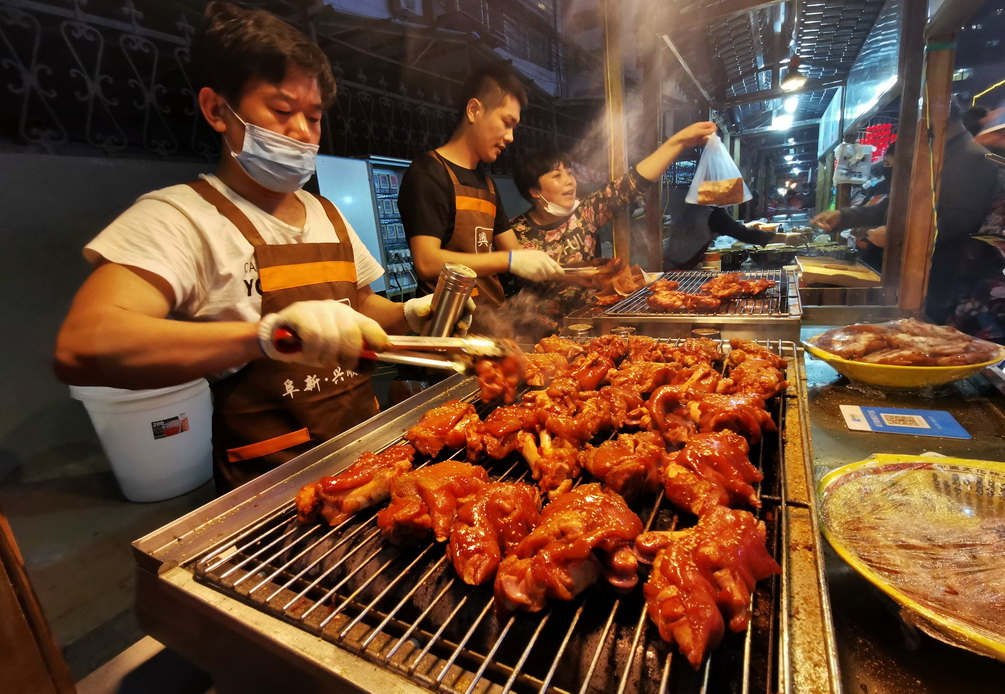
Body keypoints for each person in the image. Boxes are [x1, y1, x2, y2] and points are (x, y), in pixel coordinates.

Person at [53, 2, 454, 493]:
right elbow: (84, 345)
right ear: (217, 110)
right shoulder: (181, 217)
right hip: (273, 488)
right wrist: (268, 337)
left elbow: (361, 306)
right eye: (283, 111)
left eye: (314, 116)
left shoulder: (326, 213)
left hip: (369, 457)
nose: (303, 133)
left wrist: (411, 313)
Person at [398, 64, 564, 329]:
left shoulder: (486, 183)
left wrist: (581, 275)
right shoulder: (428, 173)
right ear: (474, 110)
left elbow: (514, 251)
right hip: (448, 331)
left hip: (493, 326)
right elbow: (428, 262)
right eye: (506, 123)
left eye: (514, 128)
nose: (510, 137)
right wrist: (510, 261)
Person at [506, 121, 715, 325]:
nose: (569, 181)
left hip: (585, 324)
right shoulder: (512, 232)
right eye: (557, 176)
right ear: (534, 191)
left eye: (570, 173)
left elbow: (630, 185)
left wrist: (677, 142)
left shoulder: (584, 214)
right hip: (531, 331)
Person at [811, 103, 999, 324]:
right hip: (911, 278)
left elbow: (960, 221)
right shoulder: (930, 156)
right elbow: (889, 207)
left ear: (937, 122)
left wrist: (896, 233)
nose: (911, 133)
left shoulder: (972, 157)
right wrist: (843, 216)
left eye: (917, 124)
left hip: (944, 283)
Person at [663, 206, 810, 271]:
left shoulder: (697, 208)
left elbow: (733, 227)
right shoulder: (712, 213)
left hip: (672, 259)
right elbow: (743, 233)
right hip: (678, 266)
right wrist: (784, 238)